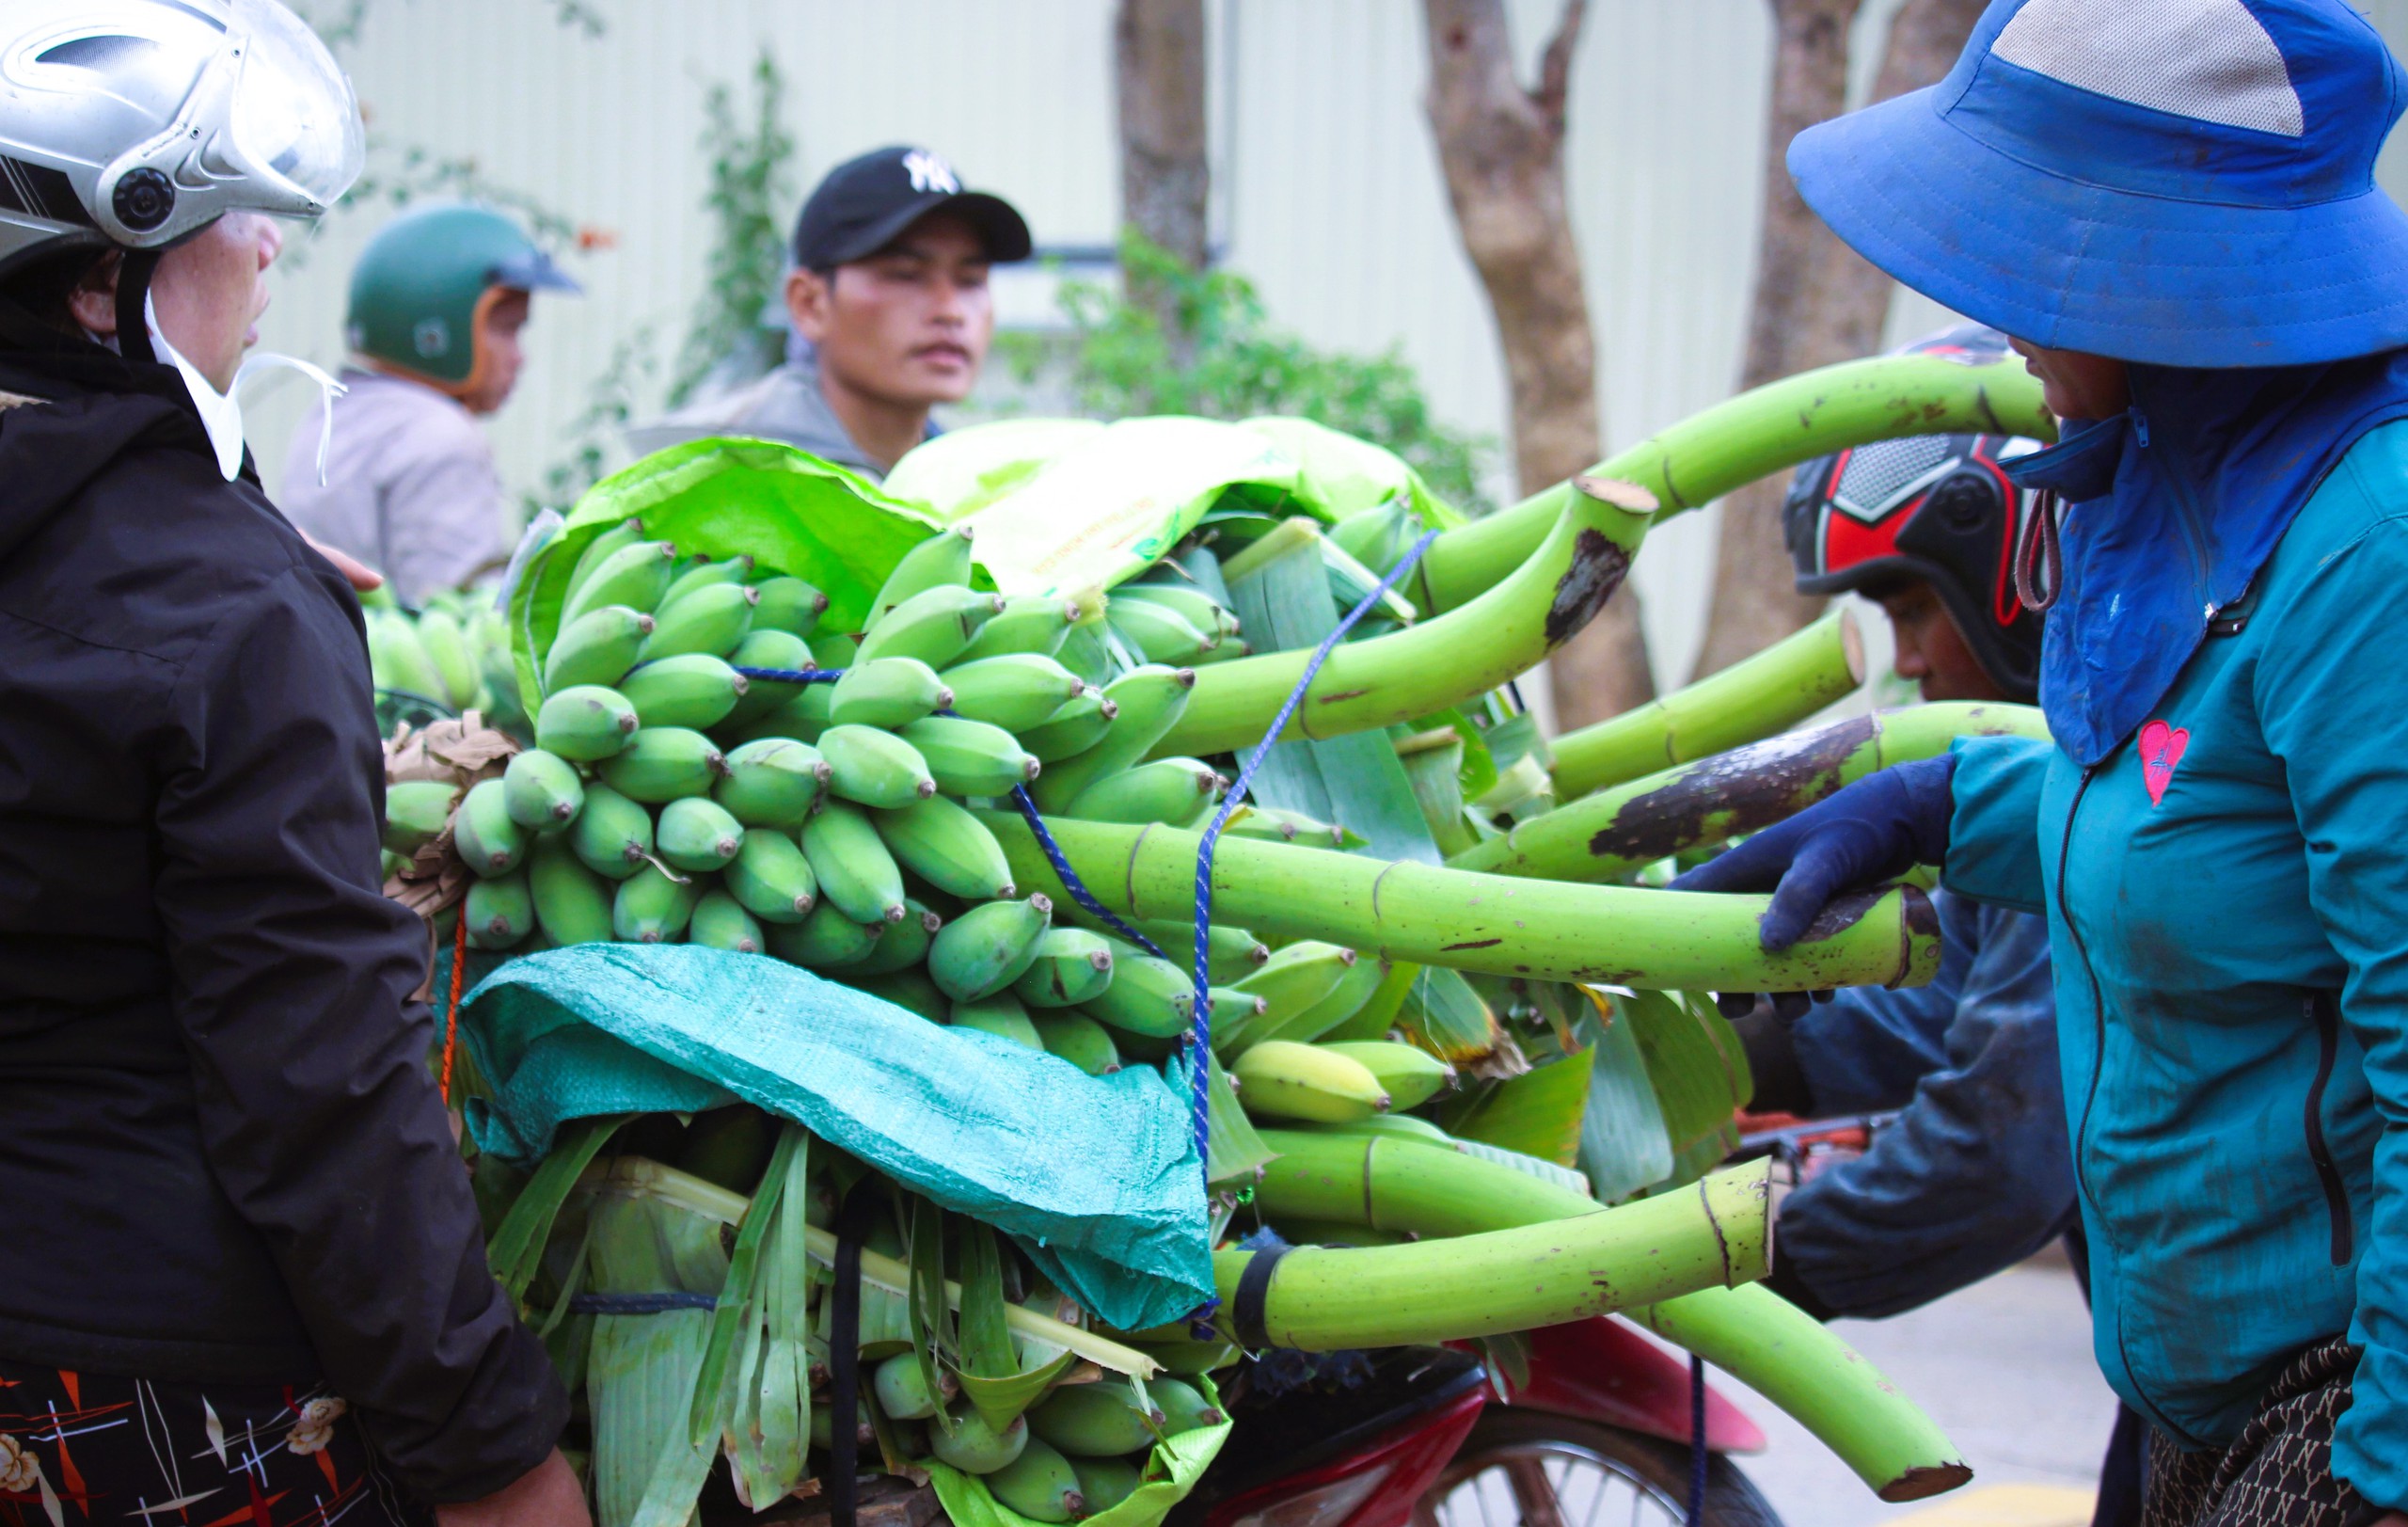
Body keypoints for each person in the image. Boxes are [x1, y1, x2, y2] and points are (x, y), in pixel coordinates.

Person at [1672, 2, 2408, 1521]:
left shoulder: (2372, 544)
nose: (2004, 309)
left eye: (2036, 249)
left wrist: (2382, 1471)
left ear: (2164, 269)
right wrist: (1942, 804)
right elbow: (2201, 810)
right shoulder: (2179, 484)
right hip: (2190, 1384)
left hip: (2342, 1404)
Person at [0, 5, 579, 1524]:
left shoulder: (192, 577)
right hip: (149, 1383)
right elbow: (315, 1074)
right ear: (102, 278)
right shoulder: (223, 603)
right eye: (227, 219)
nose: (267, 251)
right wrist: (494, 1445)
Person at [1752, 326, 2070, 1325]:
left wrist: (1714, 1263)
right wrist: (1729, 1043)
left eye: (1915, 609)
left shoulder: (2113, 783)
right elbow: (1946, 1004)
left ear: (2016, 573)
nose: (1913, 663)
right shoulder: (2045, 792)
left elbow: (2000, 1150)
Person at [632, 144, 1031, 479]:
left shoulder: (972, 489)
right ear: (809, 304)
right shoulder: (711, 477)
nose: (951, 311)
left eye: (971, 280)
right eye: (906, 275)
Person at [279, 203, 578, 605]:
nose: (519, 357)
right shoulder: (440, 436)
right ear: (436, 332)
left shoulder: (331, 415)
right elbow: (461, 614)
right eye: (507, 329)